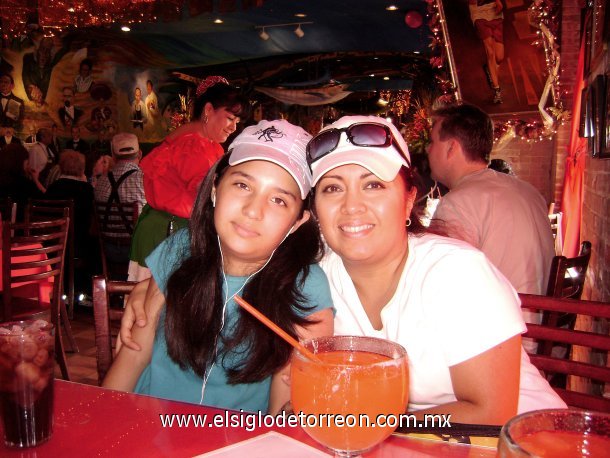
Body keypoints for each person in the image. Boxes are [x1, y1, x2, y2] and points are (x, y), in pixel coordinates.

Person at [120, 116, 566, 425]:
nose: (352, 205)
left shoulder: (455, 272)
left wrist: (358, 419)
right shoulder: (319, 275)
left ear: (410, 198)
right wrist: (155, 288)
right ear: (312, 215)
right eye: (333, 187)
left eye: (373, 184)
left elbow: (493, 411)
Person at [103, 120, 333, 414]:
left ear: (298, 221)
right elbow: (133, 356)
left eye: (278, 199)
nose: (253, 210)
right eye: (242, 185)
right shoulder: (180, 249)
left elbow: (282, 409)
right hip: (146, 427)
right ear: (214, 190)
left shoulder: (305, 286)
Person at [427, 104, 555, 343]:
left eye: (432, 141)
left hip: (502, 344)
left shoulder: (459, 203)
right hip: (542, 337)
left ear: (452, 147)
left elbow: (439, 287)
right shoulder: (529, 191)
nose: (427, 149)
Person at [128, 76, 249, 281]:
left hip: (163, 232)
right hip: (169, 236)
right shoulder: (195, 146)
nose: (233, 128)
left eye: (237, 122)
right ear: (208, 110)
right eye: (229, 118)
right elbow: (209, 198)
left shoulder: (199, 141)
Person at [94, 133, 146, 275]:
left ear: (113, 156)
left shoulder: (100, 182)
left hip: (106, 250)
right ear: (139, 154)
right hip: (136, 253)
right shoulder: (145, 180)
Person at [469, 0, 505, 104]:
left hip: (494, 14)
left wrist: (498, 5)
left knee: (500, 57)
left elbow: (499, 5)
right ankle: (497, 90)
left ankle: (489, 69)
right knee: (490, 52)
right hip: (479, 15)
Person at [0, 143, 44, 220]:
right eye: (27, 163)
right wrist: (36, 180)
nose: (28, 166)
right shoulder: (24, 184)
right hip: (21, 228)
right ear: (20, 163)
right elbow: (44, 203)